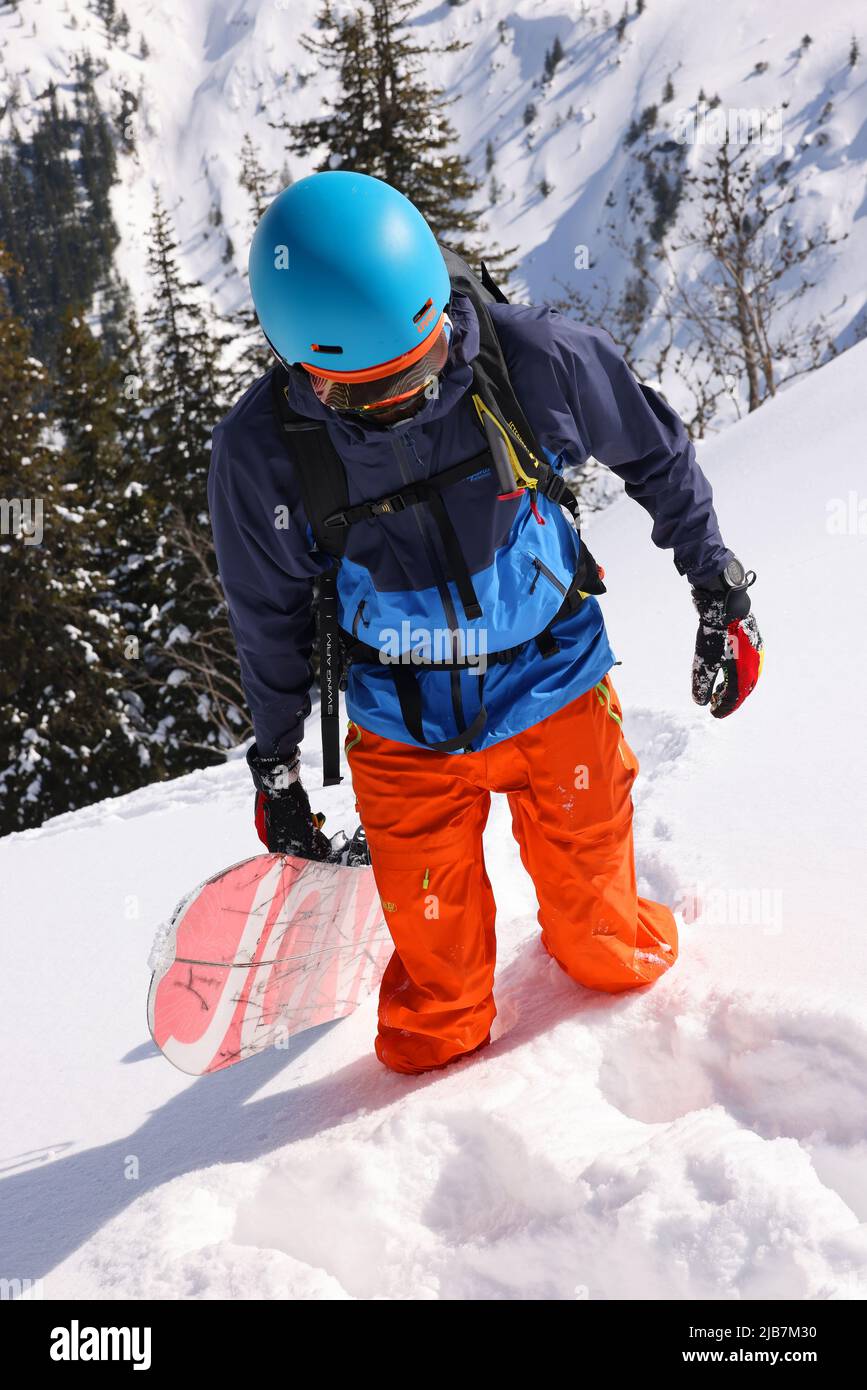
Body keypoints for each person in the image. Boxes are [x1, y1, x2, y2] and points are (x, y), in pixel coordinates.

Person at [208, 171, 763, 1075]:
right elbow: (266, 613)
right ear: (299, 365)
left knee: (610, 955)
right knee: (438, 1023)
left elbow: (656, 455)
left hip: (554, 681)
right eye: (363, 394)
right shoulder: (261, 452)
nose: (405, 401)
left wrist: (718, 590)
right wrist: (276, 764)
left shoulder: (532, 359)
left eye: (421, 369)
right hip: (403, 724)